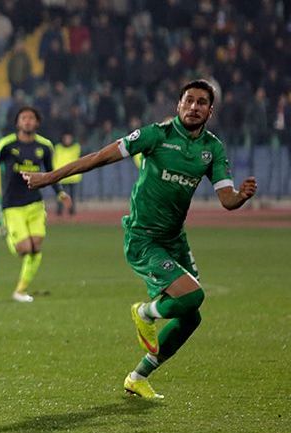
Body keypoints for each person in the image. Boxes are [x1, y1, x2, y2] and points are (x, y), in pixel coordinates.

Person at [23, 79, 257, 399]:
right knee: (193, 297)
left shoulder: (212, 148)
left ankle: (138, 376)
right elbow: (98, 157)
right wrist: (49, 178)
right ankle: (145, 313)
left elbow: (226, 199)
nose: (193, 107)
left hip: (175, 239)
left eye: (201, 102)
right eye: (188, 100)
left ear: (210, 111)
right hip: (143, 237)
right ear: (178, 105)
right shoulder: (155, 135)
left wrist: (241, 196)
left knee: (191, 317)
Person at [0, 107, 72, 303]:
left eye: (31, 118)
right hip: (12, 205)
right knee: (25, 248)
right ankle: (8, 232)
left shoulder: (45, 146)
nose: (28, 121)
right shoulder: (7, 144)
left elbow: (51, 172)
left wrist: (60, 193)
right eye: (24, 118)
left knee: (36, 247)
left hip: (34, 203)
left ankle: (20, 290)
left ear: (37, 123)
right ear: (18, 123)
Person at [53, 132, 82, 216]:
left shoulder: (76, 148)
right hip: (61, 176)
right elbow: (54, 160)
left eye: (69, 138)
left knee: (72, 196)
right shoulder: (58, 148)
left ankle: (71, 211)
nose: (68, 140)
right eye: (66, 138)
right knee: (60, 195)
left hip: (73, 176)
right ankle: (59, 210)